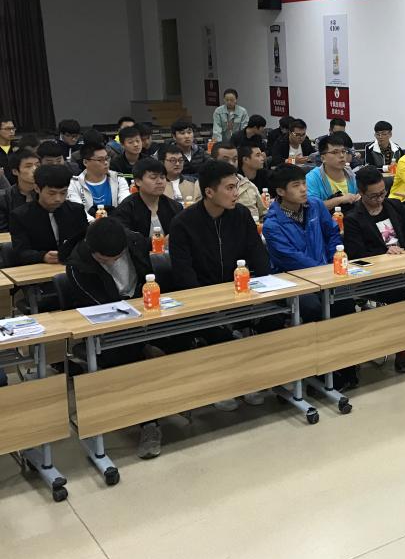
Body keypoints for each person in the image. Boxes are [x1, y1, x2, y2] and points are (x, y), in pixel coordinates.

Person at [168, 160, 269, 410]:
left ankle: (254, 380)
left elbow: (258, 255)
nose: (236, 193)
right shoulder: (183, 223)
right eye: (230, 188)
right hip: (203, 298)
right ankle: (222, 387)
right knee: (218, 332)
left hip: (240, 292)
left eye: (237, 187)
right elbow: (184, 274)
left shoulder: (241, 215)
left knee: (274, 318)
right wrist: (208, 303)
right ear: (209, 192)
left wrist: (262, 288)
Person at [64, 219, 167, 459]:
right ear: (92, 250)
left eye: (116, 258)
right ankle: (149, 424)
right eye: (104, 260)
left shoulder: (135, 243)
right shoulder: (78, 264)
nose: (111, 263)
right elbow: (97, 307)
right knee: (128, 357)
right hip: (107, 328)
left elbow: (150, 277)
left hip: (144, 310)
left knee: (183, 336)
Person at [344, 166, 405, 373]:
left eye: (383, 193)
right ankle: (402, 351)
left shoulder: (395, 206)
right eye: (374, 196)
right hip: (378, 275)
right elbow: (357, 255)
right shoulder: (353, 218)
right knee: (397, 292)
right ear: (361, 193)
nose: (380, 199)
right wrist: (385, 254)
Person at [262, 164, 351, 323]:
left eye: (304, 183)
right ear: (281, 191)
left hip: (325, 271)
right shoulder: (272, 224)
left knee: (345, 300)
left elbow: (332, 234)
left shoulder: (315, 205)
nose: (303, 189)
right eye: (296, 185)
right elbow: (290, 258)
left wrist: (333, 263)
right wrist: (323, 271)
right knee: (312, 306)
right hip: (293, 280)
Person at [10, 164, 88, 266]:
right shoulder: (20, 216)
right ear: (37, 188)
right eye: (52, 193)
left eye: (63, 193)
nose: (58, 199)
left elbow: (86, 242)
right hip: (40, 268)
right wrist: (42, 256)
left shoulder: (76, 210)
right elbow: (20, 252)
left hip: (72, 264)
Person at [112, 158, 182, 239]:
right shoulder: (126, 209)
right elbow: (124, 238)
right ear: (138, 181)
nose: (160, 182)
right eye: (153, 177)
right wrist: (156, 243)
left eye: (162, 177)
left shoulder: (175, 207)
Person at [68, 141, 130, 218]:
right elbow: (78, 211)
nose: (106, 162)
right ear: (85, 162)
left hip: (115, 222)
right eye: (100, 160)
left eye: (107, 158)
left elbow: (125, 204)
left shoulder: (118, 179)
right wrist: (94, 222)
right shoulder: (74, 183)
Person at [305, 132, 359, 212]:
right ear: (323, 158)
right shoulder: (312, 178)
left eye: (343, 151)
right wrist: (340, 200)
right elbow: (312, 207)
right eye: (335, 152)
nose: (341, 155)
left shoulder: (351, 174)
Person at [213, 141, 265, 222]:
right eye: (225, 160)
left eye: (234, 159)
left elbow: (264, 215)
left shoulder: (249, 185)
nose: (231, 164)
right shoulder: (205, 185)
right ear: (213, 161)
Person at [0, 149, 39, 232]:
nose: (35, 169)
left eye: (37, 165)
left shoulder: (46, 193)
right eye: (28, 166)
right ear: (15, 171)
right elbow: (3, 232)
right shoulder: (4, 199)